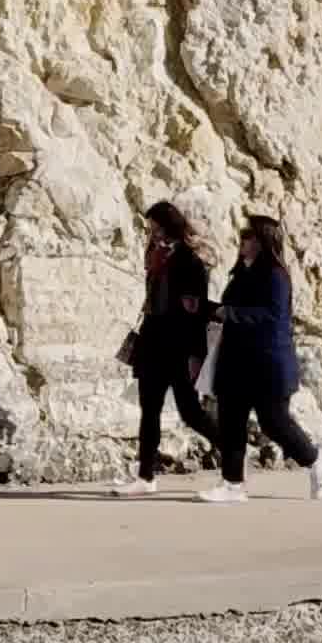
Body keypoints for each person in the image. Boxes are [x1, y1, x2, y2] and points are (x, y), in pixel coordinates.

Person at [205, 213, 322, 502]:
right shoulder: (241, 273)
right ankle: (232, 484)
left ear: (263, 241)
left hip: (268, 363)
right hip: (237, 361)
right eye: (242, 234)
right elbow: (232, 309)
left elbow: (274, 316)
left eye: (248, 235)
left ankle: (315, 459)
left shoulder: (276, 275)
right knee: (231, 420)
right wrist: (208, 309)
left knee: (273, 422)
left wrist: (231, 313)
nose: (242, 240)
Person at [114, 199, 217, 494]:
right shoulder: (155, 256)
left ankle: (233, 451)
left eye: (155, 227)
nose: (152, 233)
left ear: (168, 225)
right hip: (152, 341)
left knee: (190, 412)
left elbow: (196, 314)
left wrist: (196, 355)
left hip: (179, 347)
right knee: (150, 410)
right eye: (150, 228)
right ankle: (145, 477)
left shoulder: (191, 261)